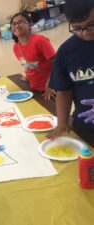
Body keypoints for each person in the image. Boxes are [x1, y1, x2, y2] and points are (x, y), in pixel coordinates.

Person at [48, 0, 94, 138]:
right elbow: (64, 92)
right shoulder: (66, 51)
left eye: (91, 25)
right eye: (77, 28)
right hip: (85, 126)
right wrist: (62, 123)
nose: (85, 33)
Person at [10, 12, 56, 100]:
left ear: (30, 24)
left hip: (50, 89)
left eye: (21, 22)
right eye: (14, 24)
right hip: (34, 88)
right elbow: (26, 62)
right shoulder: (16, 47)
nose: (17, 26)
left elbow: (57, 64)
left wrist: (50, 85)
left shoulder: (39, 41)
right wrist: (27, 76)